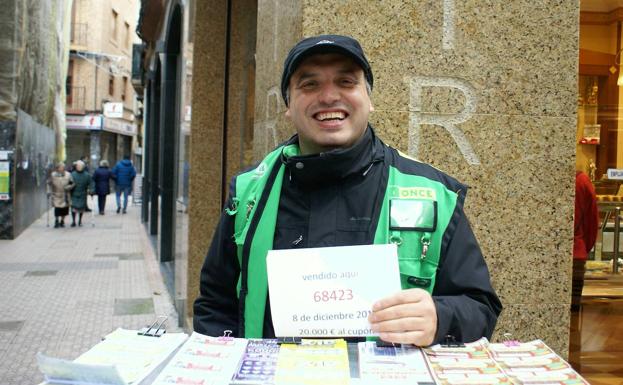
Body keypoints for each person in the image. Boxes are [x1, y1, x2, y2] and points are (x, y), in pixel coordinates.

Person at [193, 35, 502, 346]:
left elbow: (480, 308)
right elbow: (215, 306)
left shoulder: (434, 194)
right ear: (288, 105)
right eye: (309, 84)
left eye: (346, 81)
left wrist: (439, 317)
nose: (329, 96)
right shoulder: (249, 192)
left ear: (369, 99)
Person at [572, 171, 599, 312]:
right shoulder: (582, 180)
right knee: (574, 314)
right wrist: (583, 247)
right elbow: (592, 221)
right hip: (576, 253)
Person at [47, 162, 74, 228]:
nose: (62, 168)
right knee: (57, 208)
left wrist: (69, 187)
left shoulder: (68, 174)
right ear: (57, 168)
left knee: (64, 209)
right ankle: (56, 220)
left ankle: (62, 220)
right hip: (56, 194)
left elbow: (72, 183)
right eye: (60, 167)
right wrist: (48, 191)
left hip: (65, 194)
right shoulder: (53, 175)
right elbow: (48, 183)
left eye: (63, 167)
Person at [69, 160, 94, 227]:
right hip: (74, 193)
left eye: (80, 166)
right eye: (78, 166)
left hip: (83, 193)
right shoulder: (72, 174)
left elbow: (91, 183)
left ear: (83, 167)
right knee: (73, 207)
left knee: (81, 208)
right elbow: (68, 183)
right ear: (76, 166)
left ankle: (80, 221)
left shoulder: (87, 175)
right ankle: (73, 221)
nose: (79, 167)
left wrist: (91, 190)